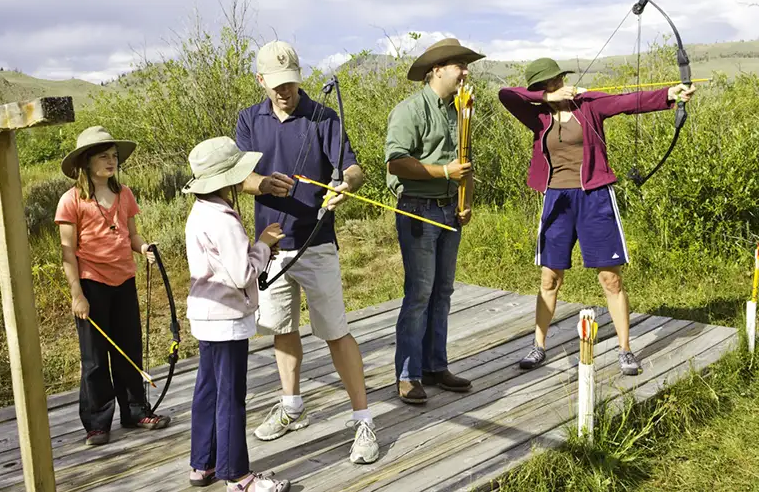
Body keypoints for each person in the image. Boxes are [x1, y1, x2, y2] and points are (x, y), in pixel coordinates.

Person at [498, 57, 697, 375]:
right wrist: (548, 99)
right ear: (539, 88)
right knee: (550, 278)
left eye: (558, 79)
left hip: (595, 196)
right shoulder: (535, 113)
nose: (557, 84)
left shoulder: (588, 103)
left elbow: (628, 102)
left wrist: (670, 94)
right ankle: (538, 347)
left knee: (611, 279)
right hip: (556, 199)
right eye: (549, 83)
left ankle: (625, 350)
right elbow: (506, 94)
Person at [235, 40, 379, 464]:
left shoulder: (323, 116)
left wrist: (345, 185)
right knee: (282, 329)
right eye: (277, 85)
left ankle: (364, 420)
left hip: (315, 245)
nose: (285, 92)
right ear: (261, 81)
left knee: (336, 331)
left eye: (291, 83)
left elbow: (354, 167)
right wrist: (261, 184)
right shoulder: (248, 119)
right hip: (270, 247)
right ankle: (291, 406)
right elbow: (238, 175)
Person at [182, 136, 290, 491]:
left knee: (209, 390)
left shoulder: (200, 211)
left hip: (206, 317)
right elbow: (242, 273)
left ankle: (203, 464)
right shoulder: (224, 220)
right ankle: (238, 476)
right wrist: (264, 244)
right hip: (226, 318)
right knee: (231, 396)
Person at [55, 126, 171, 446]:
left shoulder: (124, 194)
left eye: (114, 156)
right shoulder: (71, 200)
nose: (111, 161)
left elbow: (131, 235)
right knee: (94, 358)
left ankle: (135, 411)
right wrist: (77, 293)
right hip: (92, 284)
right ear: (86, 162)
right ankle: (97, 423)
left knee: (129, 349)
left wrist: (144, 248)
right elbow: (67, 252)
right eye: (103, 156)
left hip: (124, 280)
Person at [384, 38, 483, 404]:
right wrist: (444, 171)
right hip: (418, 211)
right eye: (459, 64)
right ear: (437, 69)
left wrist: (466, 200)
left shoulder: (459, 110)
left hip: (449, 211)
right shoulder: (410, 110)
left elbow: (466, 159)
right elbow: (396, 162)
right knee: (420, 294)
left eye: (465, 65)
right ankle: (407, 375)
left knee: (443, 292)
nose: (465, 71)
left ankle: (435, 366)